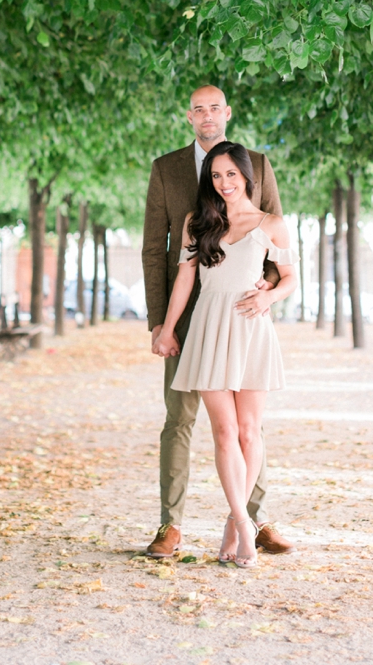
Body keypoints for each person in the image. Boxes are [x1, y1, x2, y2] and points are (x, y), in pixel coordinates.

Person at [142, 84, 294, 559]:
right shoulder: (166, 170)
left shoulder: (258, 164)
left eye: (215, 107)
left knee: (249, 426)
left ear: (226, 113)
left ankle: (252, 517)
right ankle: (172, 523)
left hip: (245, 313)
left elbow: (274, 241)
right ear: (189, 116)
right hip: (191, 312)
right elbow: (156, 249)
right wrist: (161, 324)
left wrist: (268, 293)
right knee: (181, 418)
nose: (207, 115)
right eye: (198, 108)